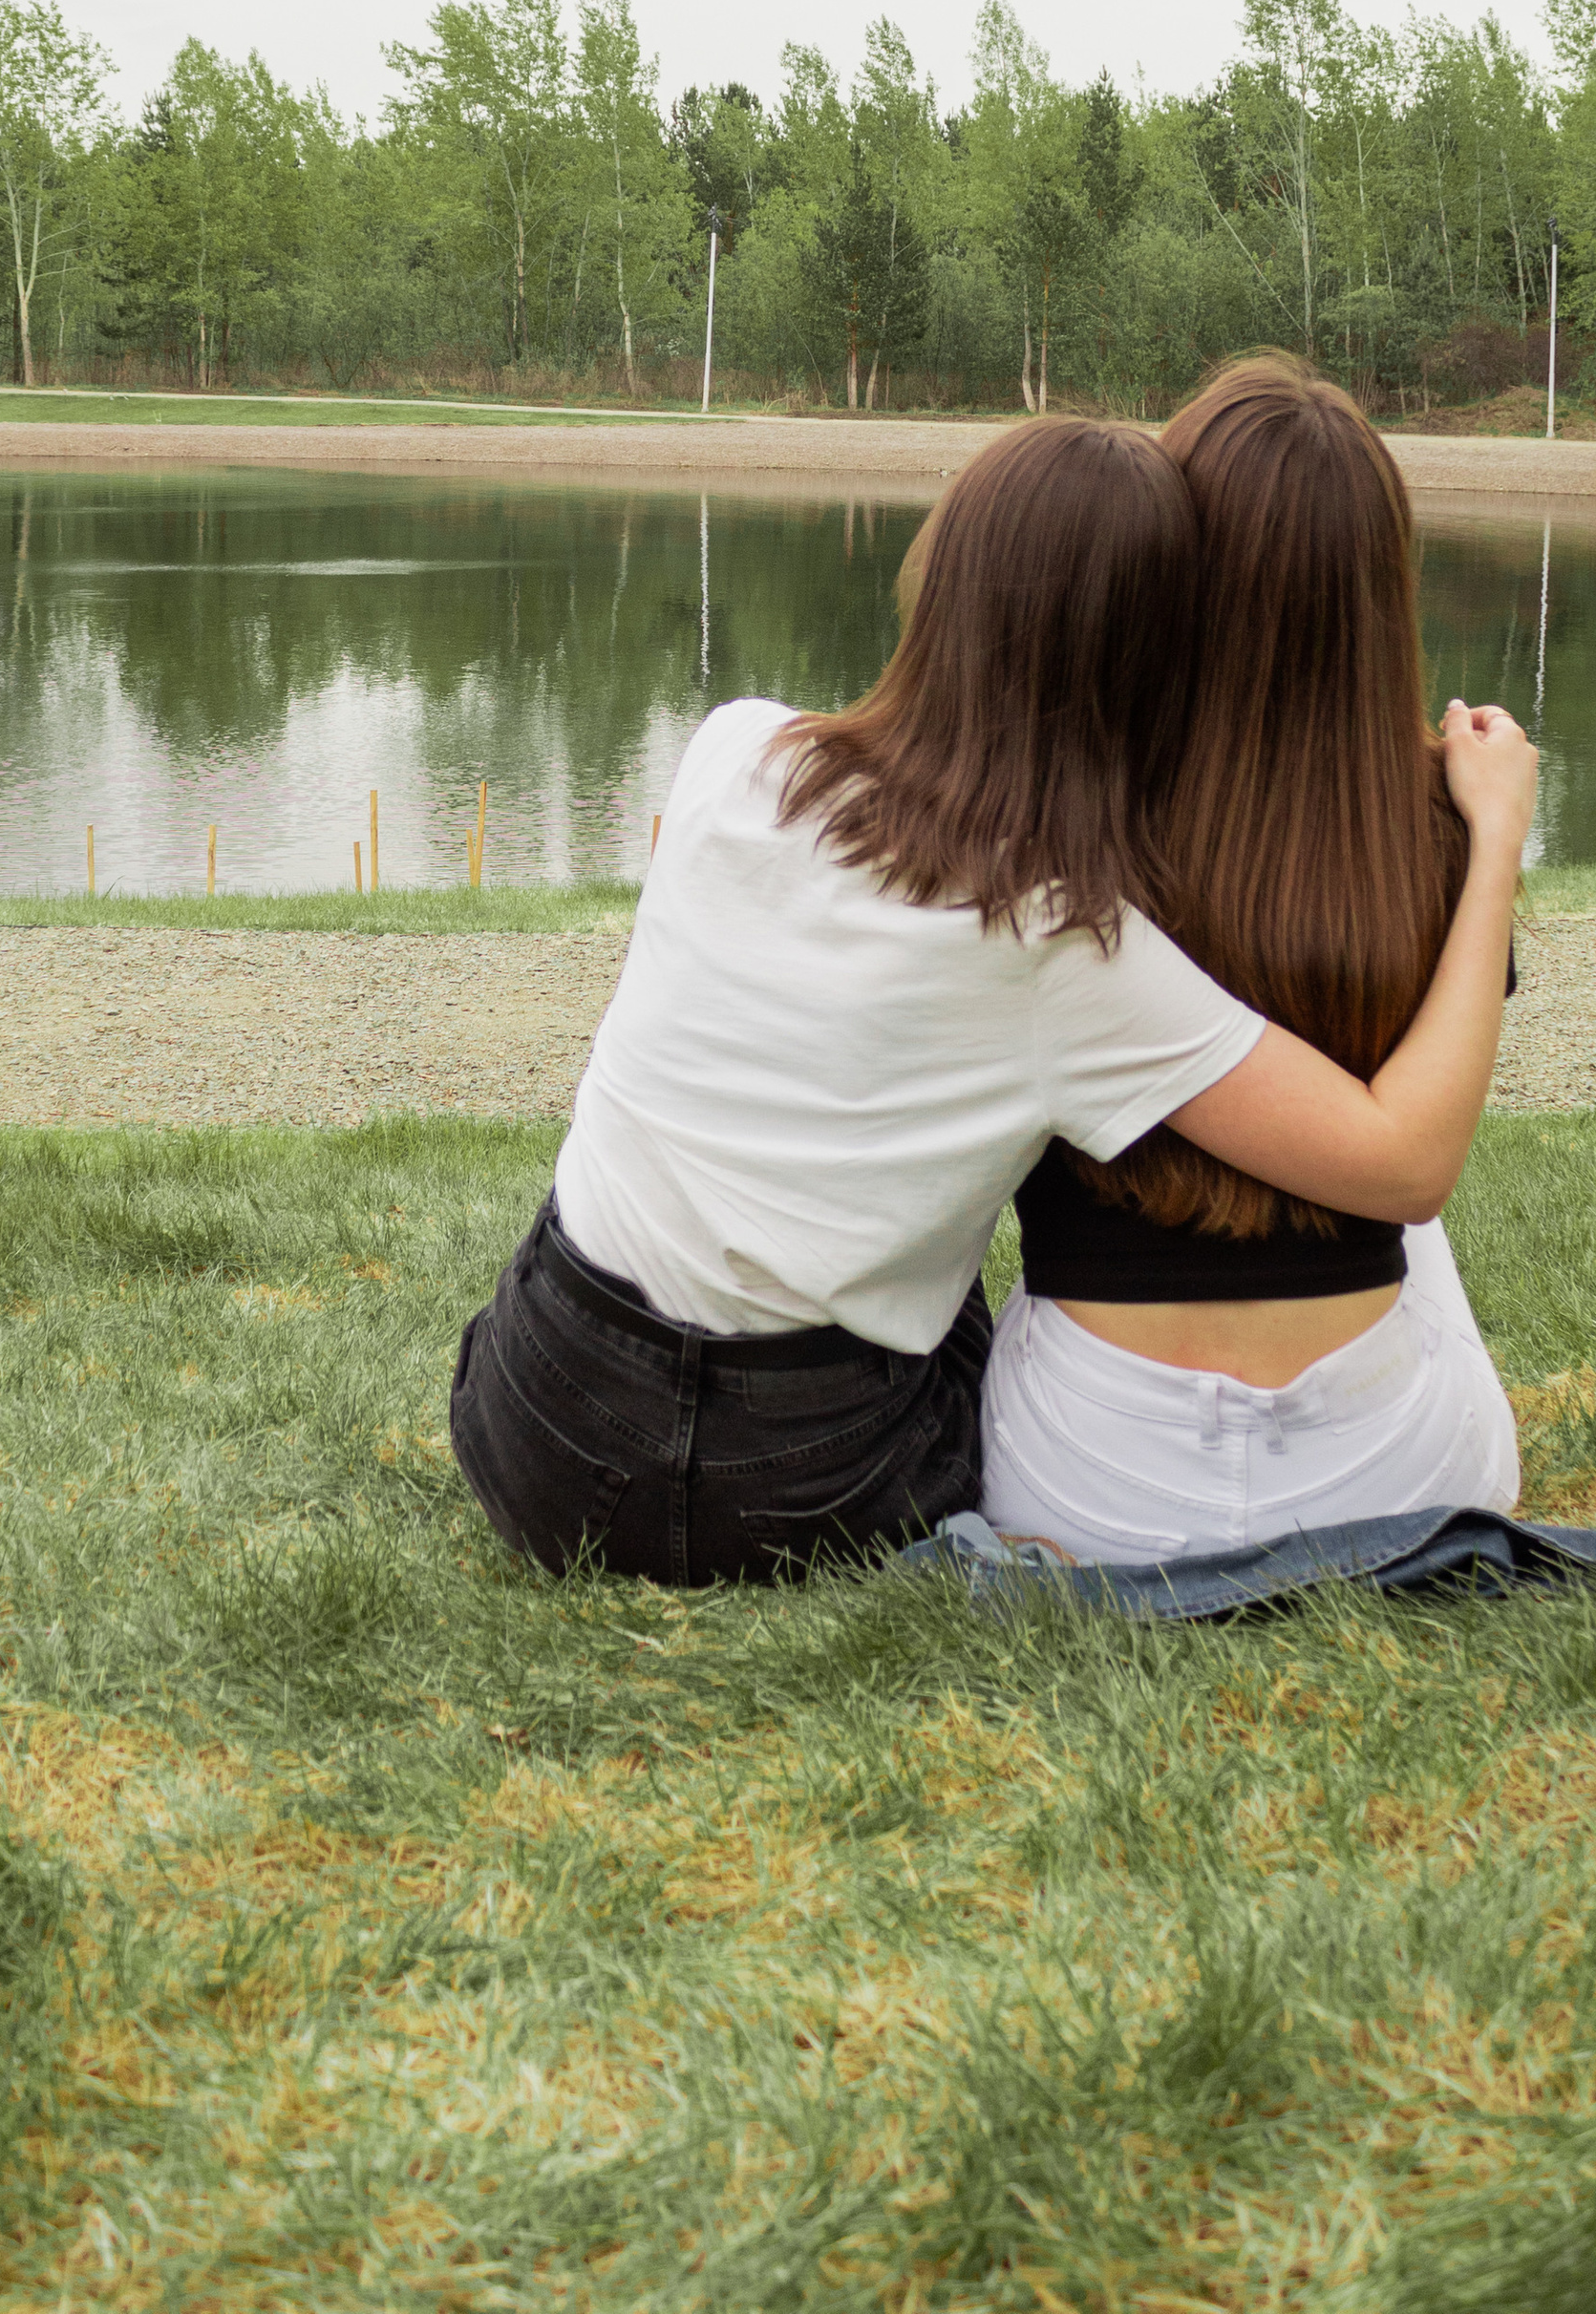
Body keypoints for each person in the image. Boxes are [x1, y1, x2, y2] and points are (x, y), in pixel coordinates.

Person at [450, 417, 1266, 1586]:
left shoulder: (734, 752)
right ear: (1146, 661)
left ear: (940, 577)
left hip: (542, 1430)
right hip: (811, 1485)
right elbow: (1393, 1165)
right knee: (983, 1296)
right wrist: (1486, 838)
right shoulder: (1072, 944)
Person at [980, 357, 1537, 1567]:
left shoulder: (1060, 815)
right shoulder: (1427, 828)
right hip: (1400, 1482)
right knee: (1410, 1207)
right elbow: (1418, 1166)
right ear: (1381, 592)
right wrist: (1493, 838)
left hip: (1084, 1486)